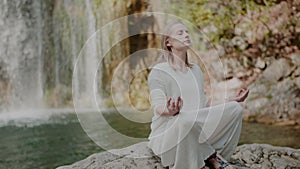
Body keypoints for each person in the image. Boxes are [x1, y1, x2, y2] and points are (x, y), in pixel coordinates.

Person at [147, 20, 249, 169]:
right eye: (180, 33)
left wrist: (229, 100)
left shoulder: (195, 70)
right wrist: (170, 111)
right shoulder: (159, 71)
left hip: (195, 129)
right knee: (183, 119)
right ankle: (212, 158)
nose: (186, 35)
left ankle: (205, 154)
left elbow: (204, 106)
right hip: (169, 135)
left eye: (187, 32)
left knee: (235, 108)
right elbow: (158, 106)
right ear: (168, 42)